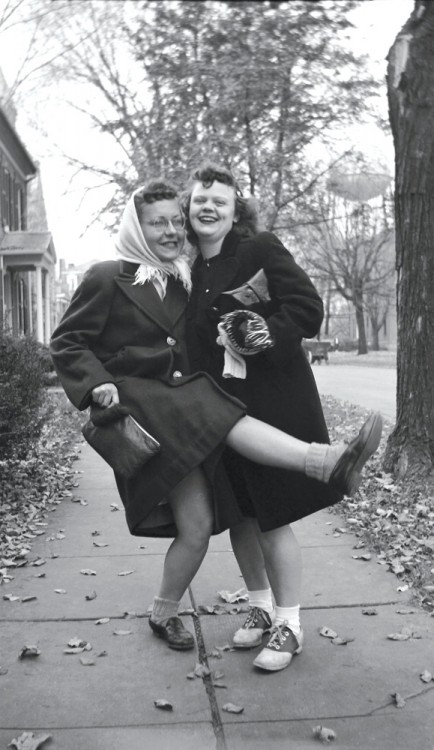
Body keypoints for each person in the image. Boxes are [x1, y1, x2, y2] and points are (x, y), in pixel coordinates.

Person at [50, 179, 381, 656]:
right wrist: (94, 382)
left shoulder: (185, 275)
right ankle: (327, 462)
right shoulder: (108, 275)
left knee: (202, 525)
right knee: (224, 430)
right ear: (136, 226)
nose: (168, 231)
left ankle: (165, 612)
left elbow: (260, 319)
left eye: (172, 221)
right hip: (147, 408)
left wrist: (258, 334)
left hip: (192, 407)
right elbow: (67, 340)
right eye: (156, 222)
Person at [182, 162, 382, 672]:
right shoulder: (186, 269)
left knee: (271, 517)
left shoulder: (259, 249)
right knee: (238, 517)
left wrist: (266, 332)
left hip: (272, 403)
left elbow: (306, 307)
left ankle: (290, 625)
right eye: (200, 199)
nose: (208, 207)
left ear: (234, 212)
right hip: (216, 412)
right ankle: (261, 605)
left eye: (219, 202)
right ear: (188, 207)